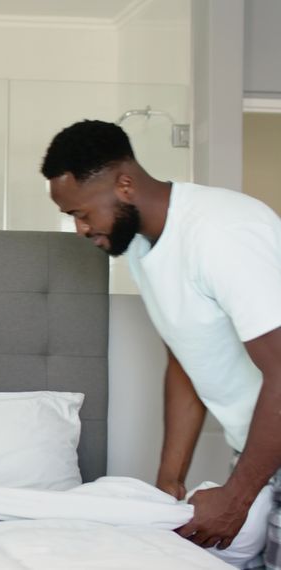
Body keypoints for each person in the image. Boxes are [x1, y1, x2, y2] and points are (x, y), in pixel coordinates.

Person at [42, 119, 281, 566]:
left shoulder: (221, 232)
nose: (79, 229)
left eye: (80, 212)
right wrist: (169, 482)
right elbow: (188, 358)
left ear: (125, 185)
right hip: (261, 449)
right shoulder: (140, 245)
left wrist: (236, 498)